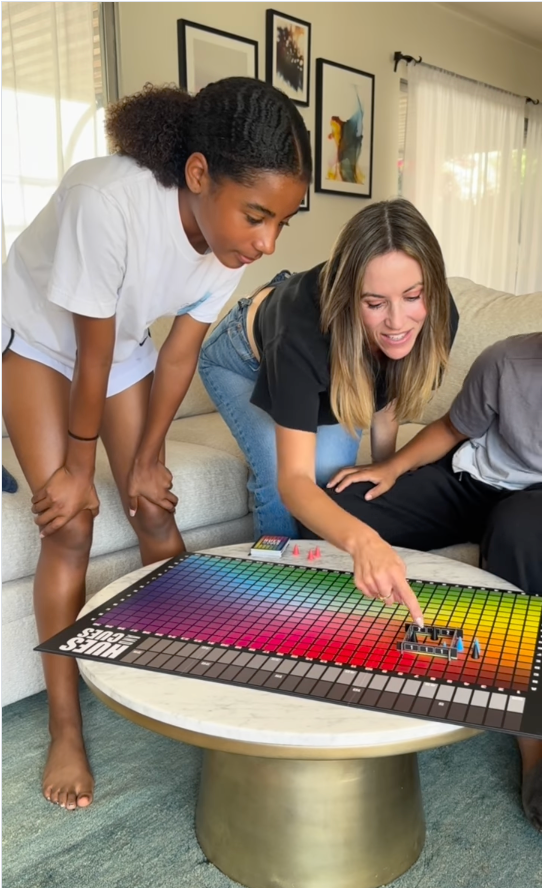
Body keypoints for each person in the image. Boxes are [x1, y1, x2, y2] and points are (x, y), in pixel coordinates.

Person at [2, 78, 311, 810]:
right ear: (200, 175)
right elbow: (89, 349)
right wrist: (80, 469)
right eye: (257, 215)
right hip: (43, 339)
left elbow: (176, 355)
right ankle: (66, 728)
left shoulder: (227, 250)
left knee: (153, 510)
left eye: (282, 223)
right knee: (69, 522)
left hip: (124, 344)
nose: (266, 243)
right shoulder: (105, 198)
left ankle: (188, 676)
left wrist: (147, 461)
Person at [198, 198, 459, 627]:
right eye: (375, 303)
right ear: (348, 296)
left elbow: (386, 390)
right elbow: (295, 483)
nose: (398, 321)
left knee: (334, 480)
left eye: (412, 296)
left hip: (323, 360)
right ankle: (276, 614)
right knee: (282, 475)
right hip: (239, 359)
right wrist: (364, 541)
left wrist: (386, 470)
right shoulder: (302, 335)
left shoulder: (439, 315)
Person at [324, 333, 542, 831]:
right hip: (477, 480)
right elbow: (452, 427)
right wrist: (390, 467)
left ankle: (533, 740)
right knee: (338, 508)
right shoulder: (506, 358)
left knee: (518, 530)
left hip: (532, 508)